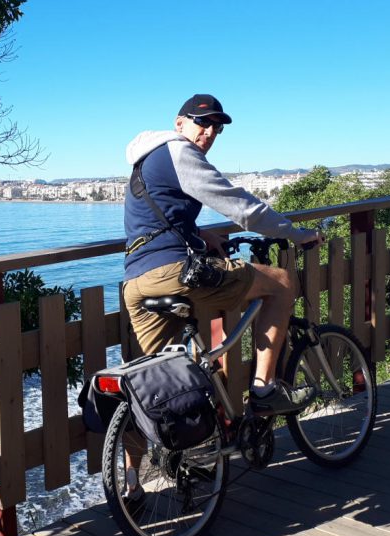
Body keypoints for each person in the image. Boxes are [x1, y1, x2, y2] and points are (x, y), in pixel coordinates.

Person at [123, 93, 323, 417]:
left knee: (151, 387)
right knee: (283, 283)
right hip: (173, 273)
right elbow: (243, 209)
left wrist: (199, 234)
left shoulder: (145, 161)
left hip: (135, 281)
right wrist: (296, 234)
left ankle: (144, 468)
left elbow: (154, 218)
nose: (210, 132)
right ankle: (264, 390)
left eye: (217, 128)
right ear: (179, 123)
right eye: (202, 122)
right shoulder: (178, 150)